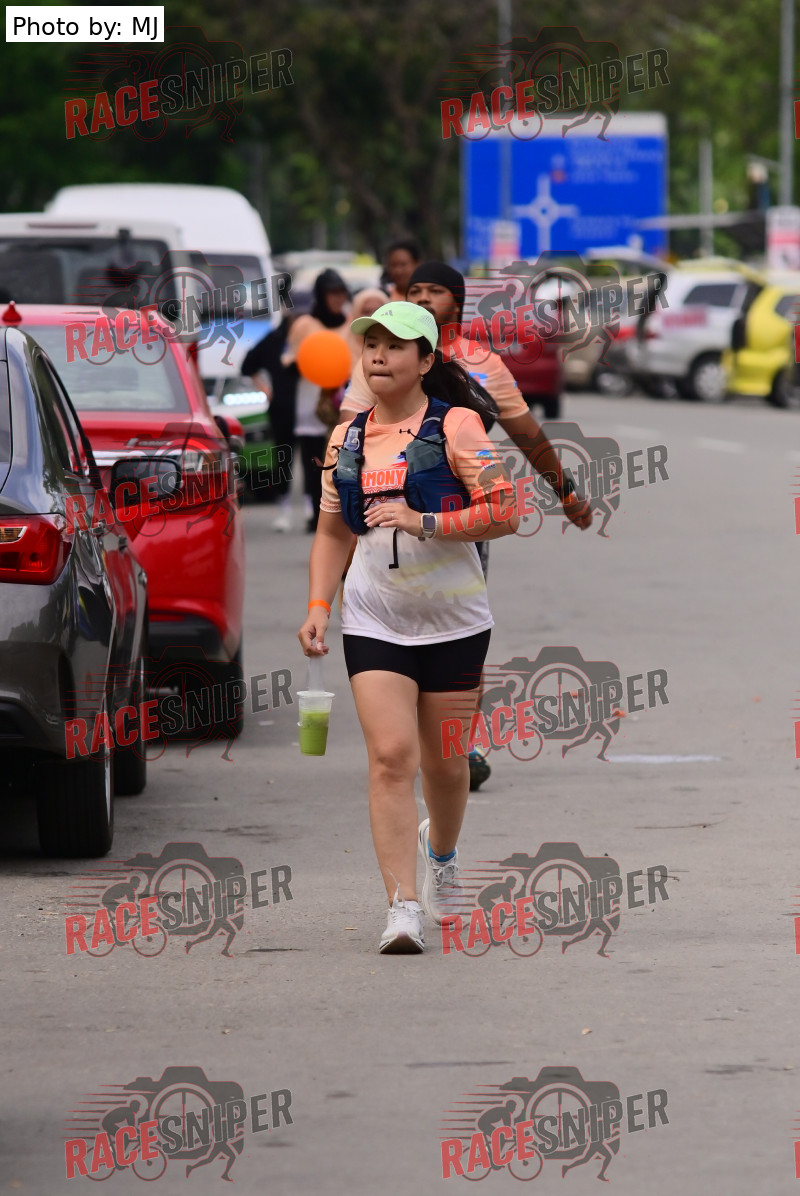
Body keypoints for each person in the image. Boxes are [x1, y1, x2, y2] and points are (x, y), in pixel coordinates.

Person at [297, 302, 519, 954]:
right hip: (374, 619)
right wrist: (318, 604)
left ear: (425, 361)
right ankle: (402, 907)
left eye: (396, 346)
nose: (379, 355)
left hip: (454, 622)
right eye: (371, 344)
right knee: (392, 758)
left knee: (446, 767)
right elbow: (332, 531)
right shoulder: (346, 440)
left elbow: (506, 510)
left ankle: (441, 855)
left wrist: (427, 522)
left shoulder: (457, 426)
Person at [338, 261, 593, 788]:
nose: (423, 298)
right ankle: (399, 738)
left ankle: (462, 738)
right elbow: (348, 436)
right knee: (382, 625)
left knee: (458, 623)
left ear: (457, 303)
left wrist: (565, 491)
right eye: (415, 290)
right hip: (382, 517)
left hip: (461, 520)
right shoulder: (385, 359)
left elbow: (526, 434)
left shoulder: (482, 363)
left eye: (435, 291)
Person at [282, 269, 351, 531]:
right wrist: (304, 364)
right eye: (332, 293)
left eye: (341, 293)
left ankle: (338, 510)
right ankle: (315, 510)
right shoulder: (304, 325)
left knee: (339, 457)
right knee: (313, 460)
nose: (337, 299)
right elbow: (288, 357)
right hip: (310, 403)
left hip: (343, 403)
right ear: (321, 296)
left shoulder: (352, 324)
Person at [241, 313, 300, 531]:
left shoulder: (313, 335)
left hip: (310, 409)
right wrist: (265, 389)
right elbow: (247, 365)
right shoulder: (275, 339)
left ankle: (314, 507)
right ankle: (284, 508)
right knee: (283, 457)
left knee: (315, 458)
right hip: (282, 408)